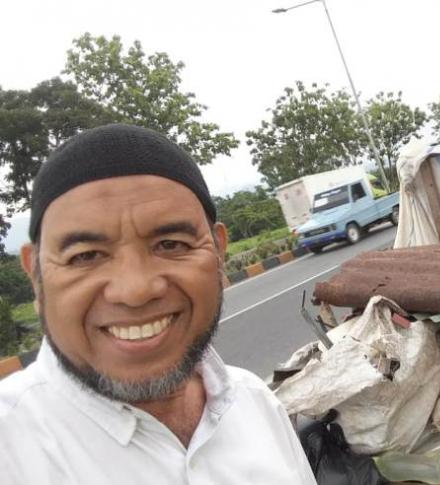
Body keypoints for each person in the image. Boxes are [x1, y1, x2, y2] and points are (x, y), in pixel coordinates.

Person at [0, 124, 317, 484]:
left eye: (171, 244)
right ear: (35, 273)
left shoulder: (255, 403)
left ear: (217, 249)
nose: (136, 290)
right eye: (86, 255)